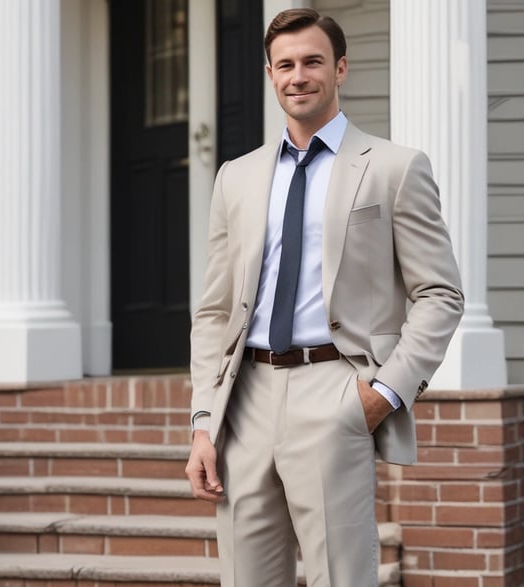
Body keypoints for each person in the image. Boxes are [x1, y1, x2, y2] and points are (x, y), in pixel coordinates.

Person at [185, 8, 464, 587]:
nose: (298, 76)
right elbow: (214, 312)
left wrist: (384, 392)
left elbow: (439, 293)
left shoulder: (394, 168)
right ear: (270, 75)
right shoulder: (236, 177)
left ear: (340, 68)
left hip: (335, 388)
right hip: (244, 403)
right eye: (284, 65)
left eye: (312, 61)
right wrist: (204, 420)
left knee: (341, 577)